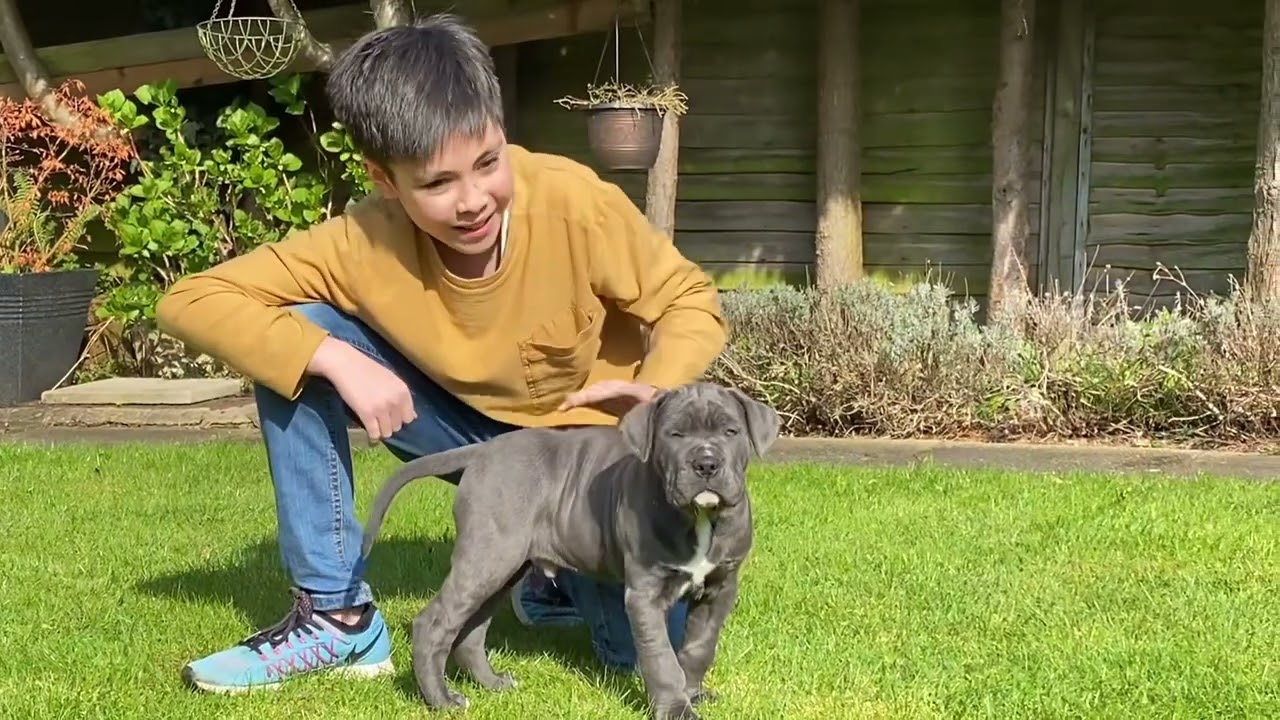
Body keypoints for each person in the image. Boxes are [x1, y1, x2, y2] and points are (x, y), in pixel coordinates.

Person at [156, 13, 727, 694]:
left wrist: (656, 389)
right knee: (298, 337)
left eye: (488, 163)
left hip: (584, 469)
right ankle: (336, 616)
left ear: (502, 133)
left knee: (642, 657)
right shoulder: (361, 241)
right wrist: (332, 356)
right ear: (385, 180)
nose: (473, 201)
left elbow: (690, 299)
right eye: (436, 184)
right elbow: (190, 299)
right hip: (462, 434)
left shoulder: (573, 203)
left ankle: (548, 573)